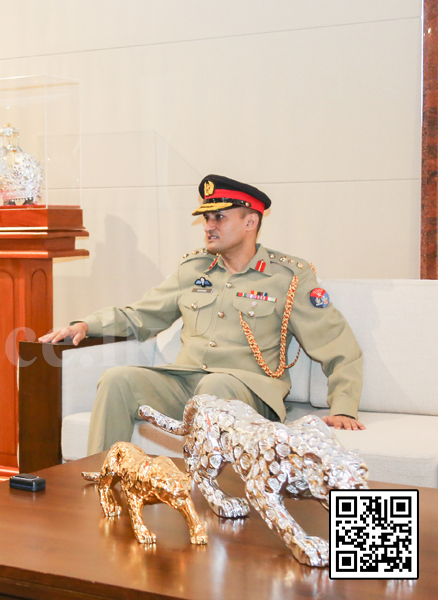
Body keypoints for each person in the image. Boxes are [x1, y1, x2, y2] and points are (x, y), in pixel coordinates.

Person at [40, 174, 365, 456]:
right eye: (206, 219)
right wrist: (86, 324)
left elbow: (336, 343)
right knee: (118, 380)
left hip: (247, 391)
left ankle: (210, 496)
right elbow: (141, 314)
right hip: (188, 381)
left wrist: (343, 408)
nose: (209, 226)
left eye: (219, 218)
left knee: (216, 384)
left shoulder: (288, 276)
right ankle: (107, 481)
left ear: (250, 222)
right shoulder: (193, 269)